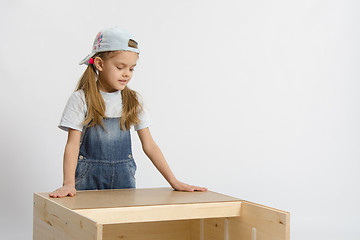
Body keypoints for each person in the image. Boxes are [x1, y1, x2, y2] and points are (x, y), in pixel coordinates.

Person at [49, 27, 207, 198]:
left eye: (131, 69)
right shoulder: (81, 99)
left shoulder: (132, 101)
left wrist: (174, 181)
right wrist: (68, 184)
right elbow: (72, 145)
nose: (126, 74)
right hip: (88, 179)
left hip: (124, 180)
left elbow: (150, 146)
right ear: (100, 64)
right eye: (120, 67)